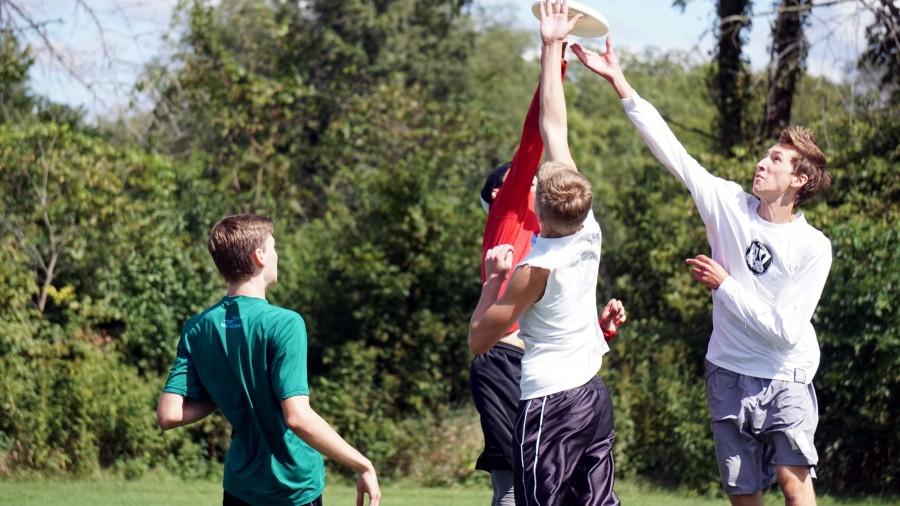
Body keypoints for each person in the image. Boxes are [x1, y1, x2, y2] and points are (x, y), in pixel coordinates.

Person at [572, 33, 832, 506]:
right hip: (728, 370)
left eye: (776, 159)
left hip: (786, 373)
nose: (761, 162)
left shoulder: (814, 247)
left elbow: (785, 330)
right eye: (766, 153)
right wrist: (619, 81)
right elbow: (672, 151)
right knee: (743, 494)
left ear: (799, 180)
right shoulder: (727, 203)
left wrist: (725, 285)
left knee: (796, 487)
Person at [469, 1, 625, 504]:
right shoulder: (590, 232)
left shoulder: (533, 268)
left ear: (537, 200)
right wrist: (552, 48)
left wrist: (495, 278)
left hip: (550, 399)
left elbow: (479, 338)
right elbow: (554, 129)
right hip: (592, 394)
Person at [156, 214, 381, 506]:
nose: (277, 256)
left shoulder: (198, 327)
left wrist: (226, 394)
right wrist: (362, 464)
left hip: (239, 488)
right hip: (293, 489)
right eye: (273, 248)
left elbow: (169, 414)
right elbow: (298, 417)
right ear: (259, 256)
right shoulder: (285, 324)